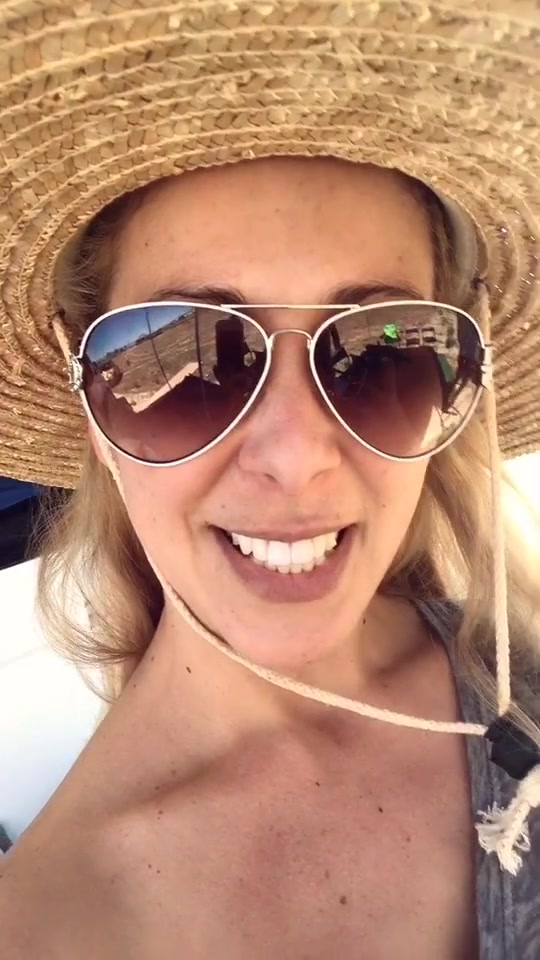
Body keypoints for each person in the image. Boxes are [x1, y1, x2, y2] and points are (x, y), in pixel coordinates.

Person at [0, 2, 539, 957]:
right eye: (189, 359)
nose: (297, 455)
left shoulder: (521, 669)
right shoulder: (52, 925)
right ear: (89, 400)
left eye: (380, 352)